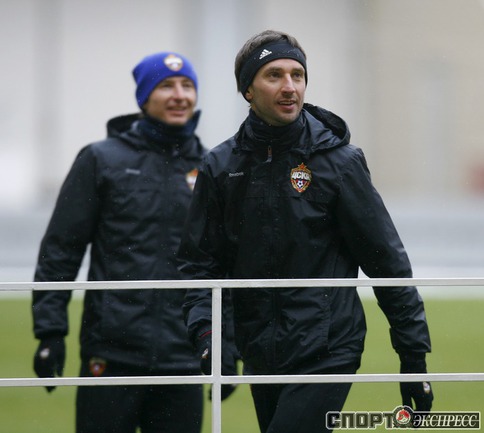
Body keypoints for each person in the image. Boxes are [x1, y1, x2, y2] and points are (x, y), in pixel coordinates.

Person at [178, 30, 434, 433]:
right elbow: (201, 263)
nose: (289, 87)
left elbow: (387, 263)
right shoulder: (221, 166)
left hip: (327, 348)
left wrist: (413, 356)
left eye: (297, 75)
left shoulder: (339, 162)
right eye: (274, 75)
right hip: (259, 350)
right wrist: (211, 334)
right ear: (247, 90)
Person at [32, 51, 236, 433]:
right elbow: (61, 249)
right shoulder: (100, 159)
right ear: (144, 97)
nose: (180, 95)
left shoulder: (213, 168)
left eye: (187, 86)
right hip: (111, 355)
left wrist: (227, 346)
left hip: (183, 358)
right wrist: (50, 331)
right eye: (166, 86)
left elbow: (223, 265)